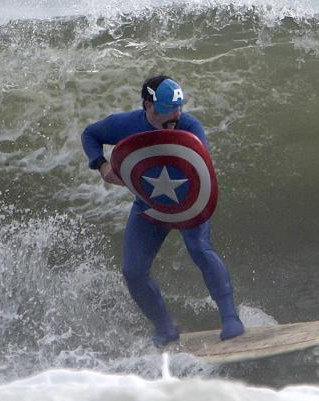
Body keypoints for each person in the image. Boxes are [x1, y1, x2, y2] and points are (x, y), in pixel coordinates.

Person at [81, 75, 245, 348]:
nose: (176, 114)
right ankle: (165, 329)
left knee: (200, 250)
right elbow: (90, 134)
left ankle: (230, 318)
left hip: (188, 202)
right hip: (149, 204)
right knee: (133, 271)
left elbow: (200, 170)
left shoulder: (190, 127)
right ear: (148, 105)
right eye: (169, 108)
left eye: (178, 107)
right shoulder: (125, 124)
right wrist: (102, 166)